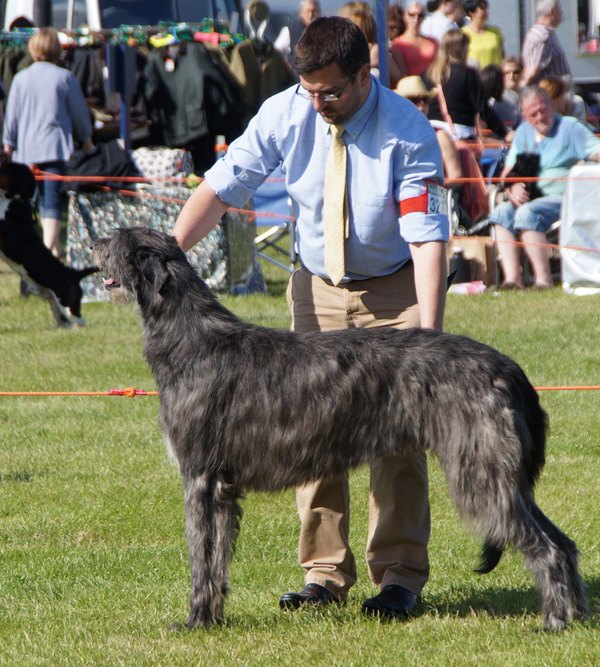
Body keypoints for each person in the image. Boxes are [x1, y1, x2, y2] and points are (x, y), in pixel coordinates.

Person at [172, 16, 449, 619]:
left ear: (362, 74)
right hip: (316, 288)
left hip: (391, 292)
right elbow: (222, 189)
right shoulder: (284, 112)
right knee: (309, 430)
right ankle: (323, 574)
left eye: (332, 91)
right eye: (309, 90)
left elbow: (427, 238)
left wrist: (428, 336)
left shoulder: (408, 130)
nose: (319, 102)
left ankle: (399, 578)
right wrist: (166, 257)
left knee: (397, 438)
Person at [489, 86, 600, 290]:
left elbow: (596, 150)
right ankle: (513, 281)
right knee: (502, 211)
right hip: (528, 197)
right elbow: (506, 172)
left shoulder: (570, 128)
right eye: (533, 114)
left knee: (526, 212)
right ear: (525, 116)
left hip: (563, 198)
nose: (540, 117)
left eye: (543, 110)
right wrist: (512, 186)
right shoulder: (523, 132)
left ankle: (543, 281)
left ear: (552, 105)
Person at [2, 27, 93, 258]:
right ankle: (47, 252)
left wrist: (8, 146)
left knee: (32, 200)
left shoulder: (21, 78)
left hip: (26, 151)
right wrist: (87, 139)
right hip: (55, 148)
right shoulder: (64, 76)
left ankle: (51, 247)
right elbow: (80, 114)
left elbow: (10, 115)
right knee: (51, 198)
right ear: (57, 50)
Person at [424, 30, 512, 142]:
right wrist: (503, 133)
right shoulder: (467, 73)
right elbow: (482, 107)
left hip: (432, 133)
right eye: (467, 46)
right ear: (460, 49)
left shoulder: (429, 74)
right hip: (460, 134)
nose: (468, 50)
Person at [521, 0, 570, 86]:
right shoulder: (543, 36)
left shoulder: (535, 32)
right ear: (551, 12)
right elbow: (533, 72)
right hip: (549, 94)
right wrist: (522, 89)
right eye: (560, 10)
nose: (562, 13)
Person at [390, 2, 438, 87]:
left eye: (420, 15)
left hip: (431, 89)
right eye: (412, 15)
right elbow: (402, 77)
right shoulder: (398, 44)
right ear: (405, 16)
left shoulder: (433, 42)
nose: (416, 18)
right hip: (410, 91)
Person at [274, 0, 321, 64]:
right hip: (296, 72)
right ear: (301, 12)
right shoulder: (289, 32)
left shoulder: (326, 31)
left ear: (319, 12)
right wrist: (283, 62)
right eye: (307, 11)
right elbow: (275, 52)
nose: (310, 15)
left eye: (313, 12)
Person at [461, 0, 504, 69]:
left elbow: (502, 55)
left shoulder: (495, 31)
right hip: (475, 76)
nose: (486, 11)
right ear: (472, 12)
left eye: (486, 8)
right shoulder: (463, 33)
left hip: (495, 76)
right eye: (482, 8)